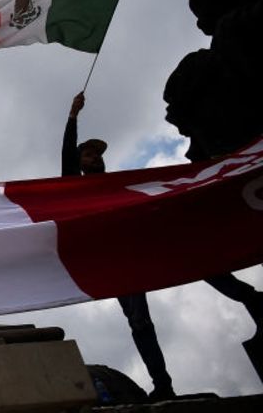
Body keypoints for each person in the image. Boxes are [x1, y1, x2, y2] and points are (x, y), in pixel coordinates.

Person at [62, 92, 175, 401]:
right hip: (112, 260)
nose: (95, 157)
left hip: (135, 252)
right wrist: (73, 117)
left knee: (142, 318)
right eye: (88, 155)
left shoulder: (120, 184)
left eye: (97, 154)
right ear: (79, 162)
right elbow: (67, 161)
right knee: (138, 319)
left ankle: (163, 384)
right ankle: (162, 384)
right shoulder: (76, 189)